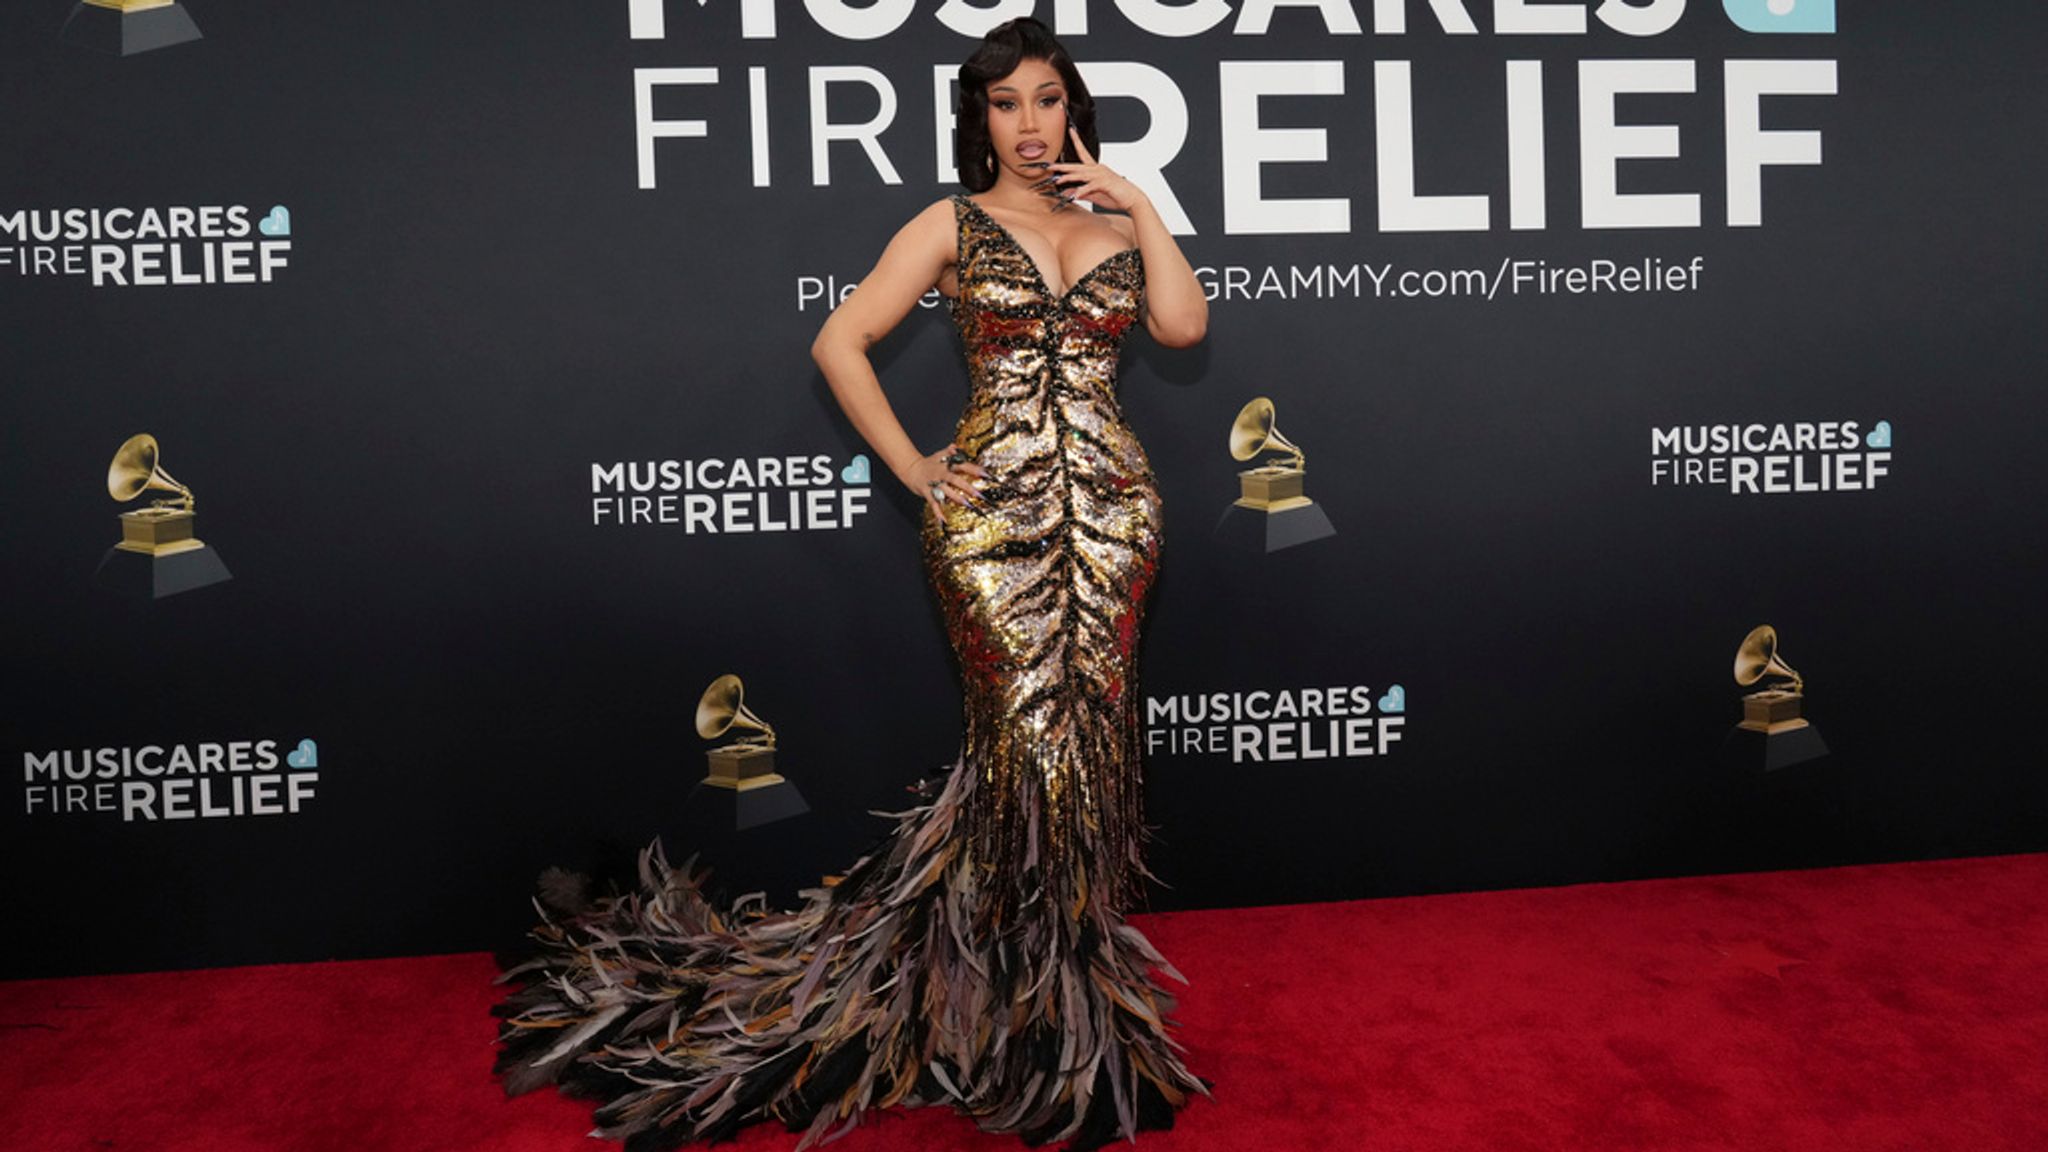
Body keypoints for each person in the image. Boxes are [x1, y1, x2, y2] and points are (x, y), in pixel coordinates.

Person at [494, 18, 1209, 1152]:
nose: (1029, 124)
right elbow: (840, 341)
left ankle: (1048, 1000)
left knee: (1088, 748)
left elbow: (1179, 325)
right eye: (1004, 104)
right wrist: (916, 466)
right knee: (1026, 744)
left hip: (1117, 518)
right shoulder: (949, 222)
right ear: (976, 120)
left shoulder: (1113, 221)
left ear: (1074, 108)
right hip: (990, 525)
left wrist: (1139, 202)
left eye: (1046, 99)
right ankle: (1010, 1010)